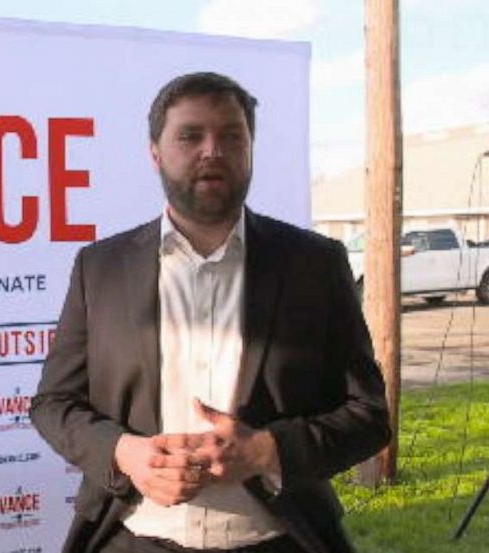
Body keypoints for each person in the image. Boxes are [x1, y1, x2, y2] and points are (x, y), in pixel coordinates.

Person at [30, 72, 391, 553]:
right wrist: (125, 453)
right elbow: (53, 405)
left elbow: (368, 416)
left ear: (251, 149)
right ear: (155, 153)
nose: (212, 150)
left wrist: (268, 451)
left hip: (279, 540)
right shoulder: (100, 269)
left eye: (231, 136)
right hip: (133, 538)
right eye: (190, 135)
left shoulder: (314, 265)